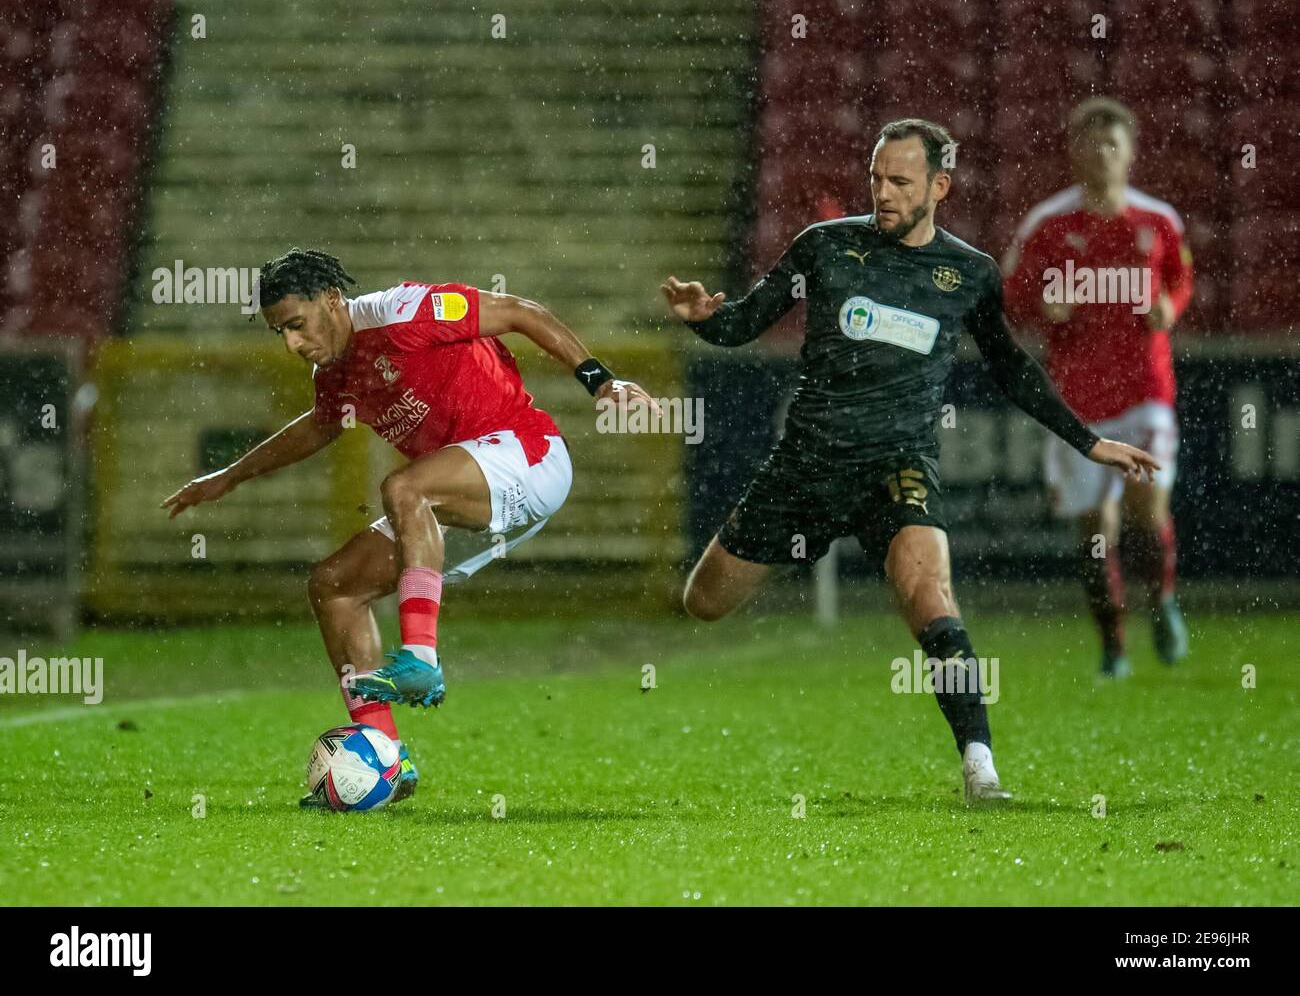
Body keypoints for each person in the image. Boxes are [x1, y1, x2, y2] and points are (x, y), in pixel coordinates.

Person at [660, 120, 1159, 802]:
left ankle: (980, 766)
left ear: (938, 187)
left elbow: (1013, 368)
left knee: (932, 600)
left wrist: (1087, 439)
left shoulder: (970, 274)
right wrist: (701, 318)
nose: (883, 193)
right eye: (876, 179)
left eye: (900, 181)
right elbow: (744, 322)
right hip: (805, 465)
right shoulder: (825, 248)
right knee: (704, 603)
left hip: (897, 466)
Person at [162, 248, 656, 806]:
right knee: (335, 586)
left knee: (403, 487)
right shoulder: (336, 371)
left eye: (296, 326)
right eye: (280, 333)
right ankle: (389, 760)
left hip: (528, 454)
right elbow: (321, 427)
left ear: (331, 301)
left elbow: (520, 312)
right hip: (457, 499)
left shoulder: (402, 312)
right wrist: (231, 476)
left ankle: (421, 659)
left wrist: (602, 383)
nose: (292, 345)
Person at [1002, 98, 1192, 679]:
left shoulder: (1158, 221)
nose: (1103, 153)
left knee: (1145, 505)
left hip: (1144, 390)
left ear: (1131, 152)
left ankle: (1161, 598)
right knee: (1093, 529)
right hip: (1076, 402)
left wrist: (1169, 306)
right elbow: (1011, 295)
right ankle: (1113, 644)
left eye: (1113, 143)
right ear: (1074, 152)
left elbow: (1180, 280)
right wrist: (1040, 306)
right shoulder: (1049, 225)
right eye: (1091, 142)